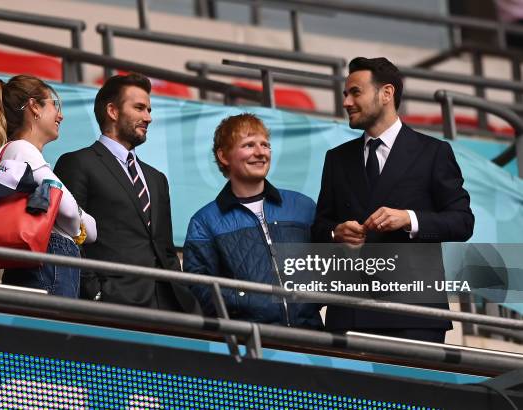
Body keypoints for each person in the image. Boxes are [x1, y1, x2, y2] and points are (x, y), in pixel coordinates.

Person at [311, 57, 474, 343]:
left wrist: (408, 218)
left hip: (413, 315)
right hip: (348, 312)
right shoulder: (336, 159)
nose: (346, 102)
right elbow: (320, 226)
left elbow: (462, 222)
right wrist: (335, 232)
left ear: (387, 93)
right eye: (345, 94)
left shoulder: (433, 152)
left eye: (355, 92)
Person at [54, 73, 200, 313]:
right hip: (112, 307)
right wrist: (96, 294)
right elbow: (68, 239)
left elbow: (164, 249)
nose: (149, 118)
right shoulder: (78, 163)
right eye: (140, 108)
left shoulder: (156, 179)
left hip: (168, 309)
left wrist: (183, 297)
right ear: (112, 111)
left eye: (149, 110)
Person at [183, 113, 322, 329]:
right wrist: (253, 300)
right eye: (248, 145)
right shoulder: (204, 222)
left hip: (311, 341)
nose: (260, 153)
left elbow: (329, 271)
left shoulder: (303, 207)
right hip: (250, 345)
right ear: (223, 156)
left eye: (265, 145)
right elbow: (200, 290)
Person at [0, 74, 97, 297]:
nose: (60, 115)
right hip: (49, 265)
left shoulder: (12, 152)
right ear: (34, 107)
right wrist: (77, 227)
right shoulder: (22, 150)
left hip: (41, 266)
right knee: (51, 329)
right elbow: (71, 212)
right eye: (55, 104)